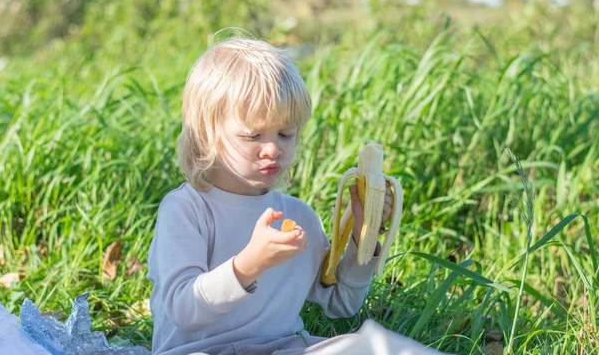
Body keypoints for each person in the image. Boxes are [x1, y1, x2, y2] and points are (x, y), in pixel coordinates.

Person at [147, 37, 443, 355]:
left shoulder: (298, 216)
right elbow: (184, 309)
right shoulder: (186, 210)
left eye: (285, 134)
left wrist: (362, 235)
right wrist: (249, 264)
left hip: (284, 348)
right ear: (207, 134)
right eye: (253, 135)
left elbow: (340, 302)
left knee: (378, 347)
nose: (273, 148)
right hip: (201, 350)